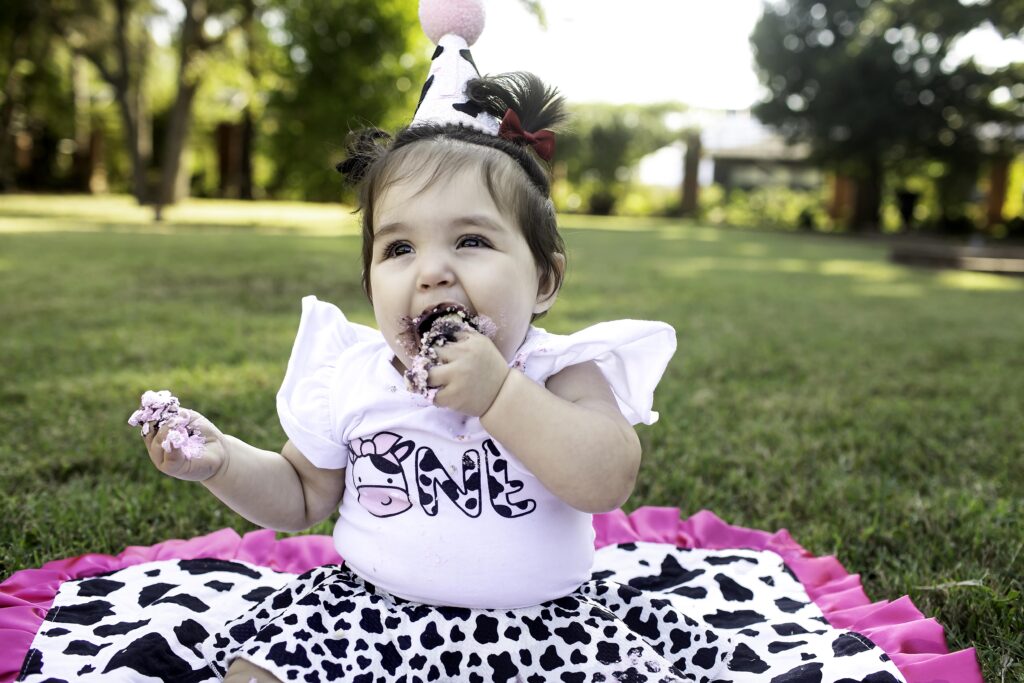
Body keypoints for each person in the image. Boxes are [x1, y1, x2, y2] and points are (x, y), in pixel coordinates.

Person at [141, 13, 681, 681]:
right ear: (368, 277)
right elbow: (304, 493)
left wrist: (500, 393)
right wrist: (220, 462)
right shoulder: (354, 374)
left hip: (542, 629)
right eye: (398, 248)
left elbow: (606, 479)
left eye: (471, 241)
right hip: (374, 615)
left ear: (544, 279)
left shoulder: (558, 372)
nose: (431, 271)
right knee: (256, 672)